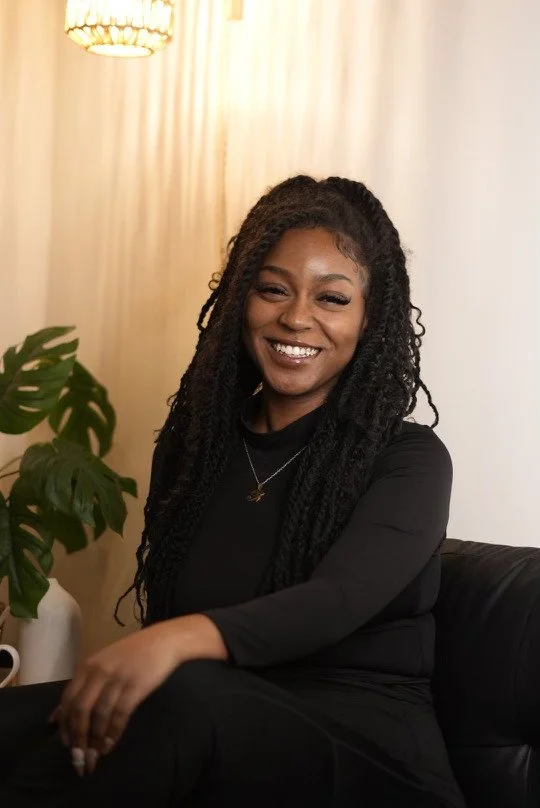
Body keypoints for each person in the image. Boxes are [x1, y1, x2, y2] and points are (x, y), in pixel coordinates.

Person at [0, 175, 466, 807]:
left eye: (332, 298)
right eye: (273, 289)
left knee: (185, 695)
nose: (296, 317)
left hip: (367, 758)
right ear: (241, 298)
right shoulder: (200, 448)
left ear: (370, 319)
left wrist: (170, 641)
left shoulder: (408, 461)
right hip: (210, 729)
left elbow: (335, 600)